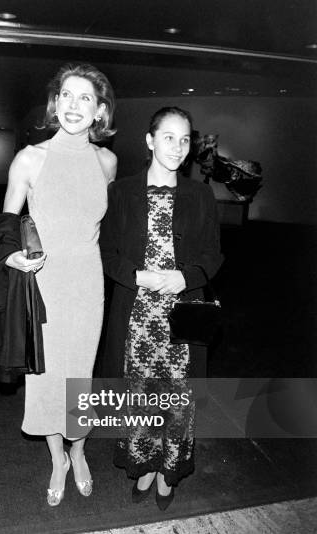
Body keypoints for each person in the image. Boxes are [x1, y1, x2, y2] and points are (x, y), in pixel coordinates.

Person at [3, 63, 117, 506]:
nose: (73, 105)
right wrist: (11, 254)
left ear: (99, 111)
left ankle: (80, 450)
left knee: (79, 376)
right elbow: (6, 226)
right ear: (55, 104)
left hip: (88, 285)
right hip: (43, 285)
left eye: (85, 98)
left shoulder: (106, 161)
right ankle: (58, 459)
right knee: (47, 376)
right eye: (66, 96)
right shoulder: (31, 158)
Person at [99, 107, 223, 510]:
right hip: (137, 315)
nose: (177, 147)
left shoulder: (201, 195)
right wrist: (139, 276)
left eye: (185, 139)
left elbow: (213, 255)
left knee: (179, 398)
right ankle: (146, 465)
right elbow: (107, 253)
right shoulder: (120, 192)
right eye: (168, 137)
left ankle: (169, 472)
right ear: (149, 141)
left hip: (182, 313)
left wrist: (186, 278)